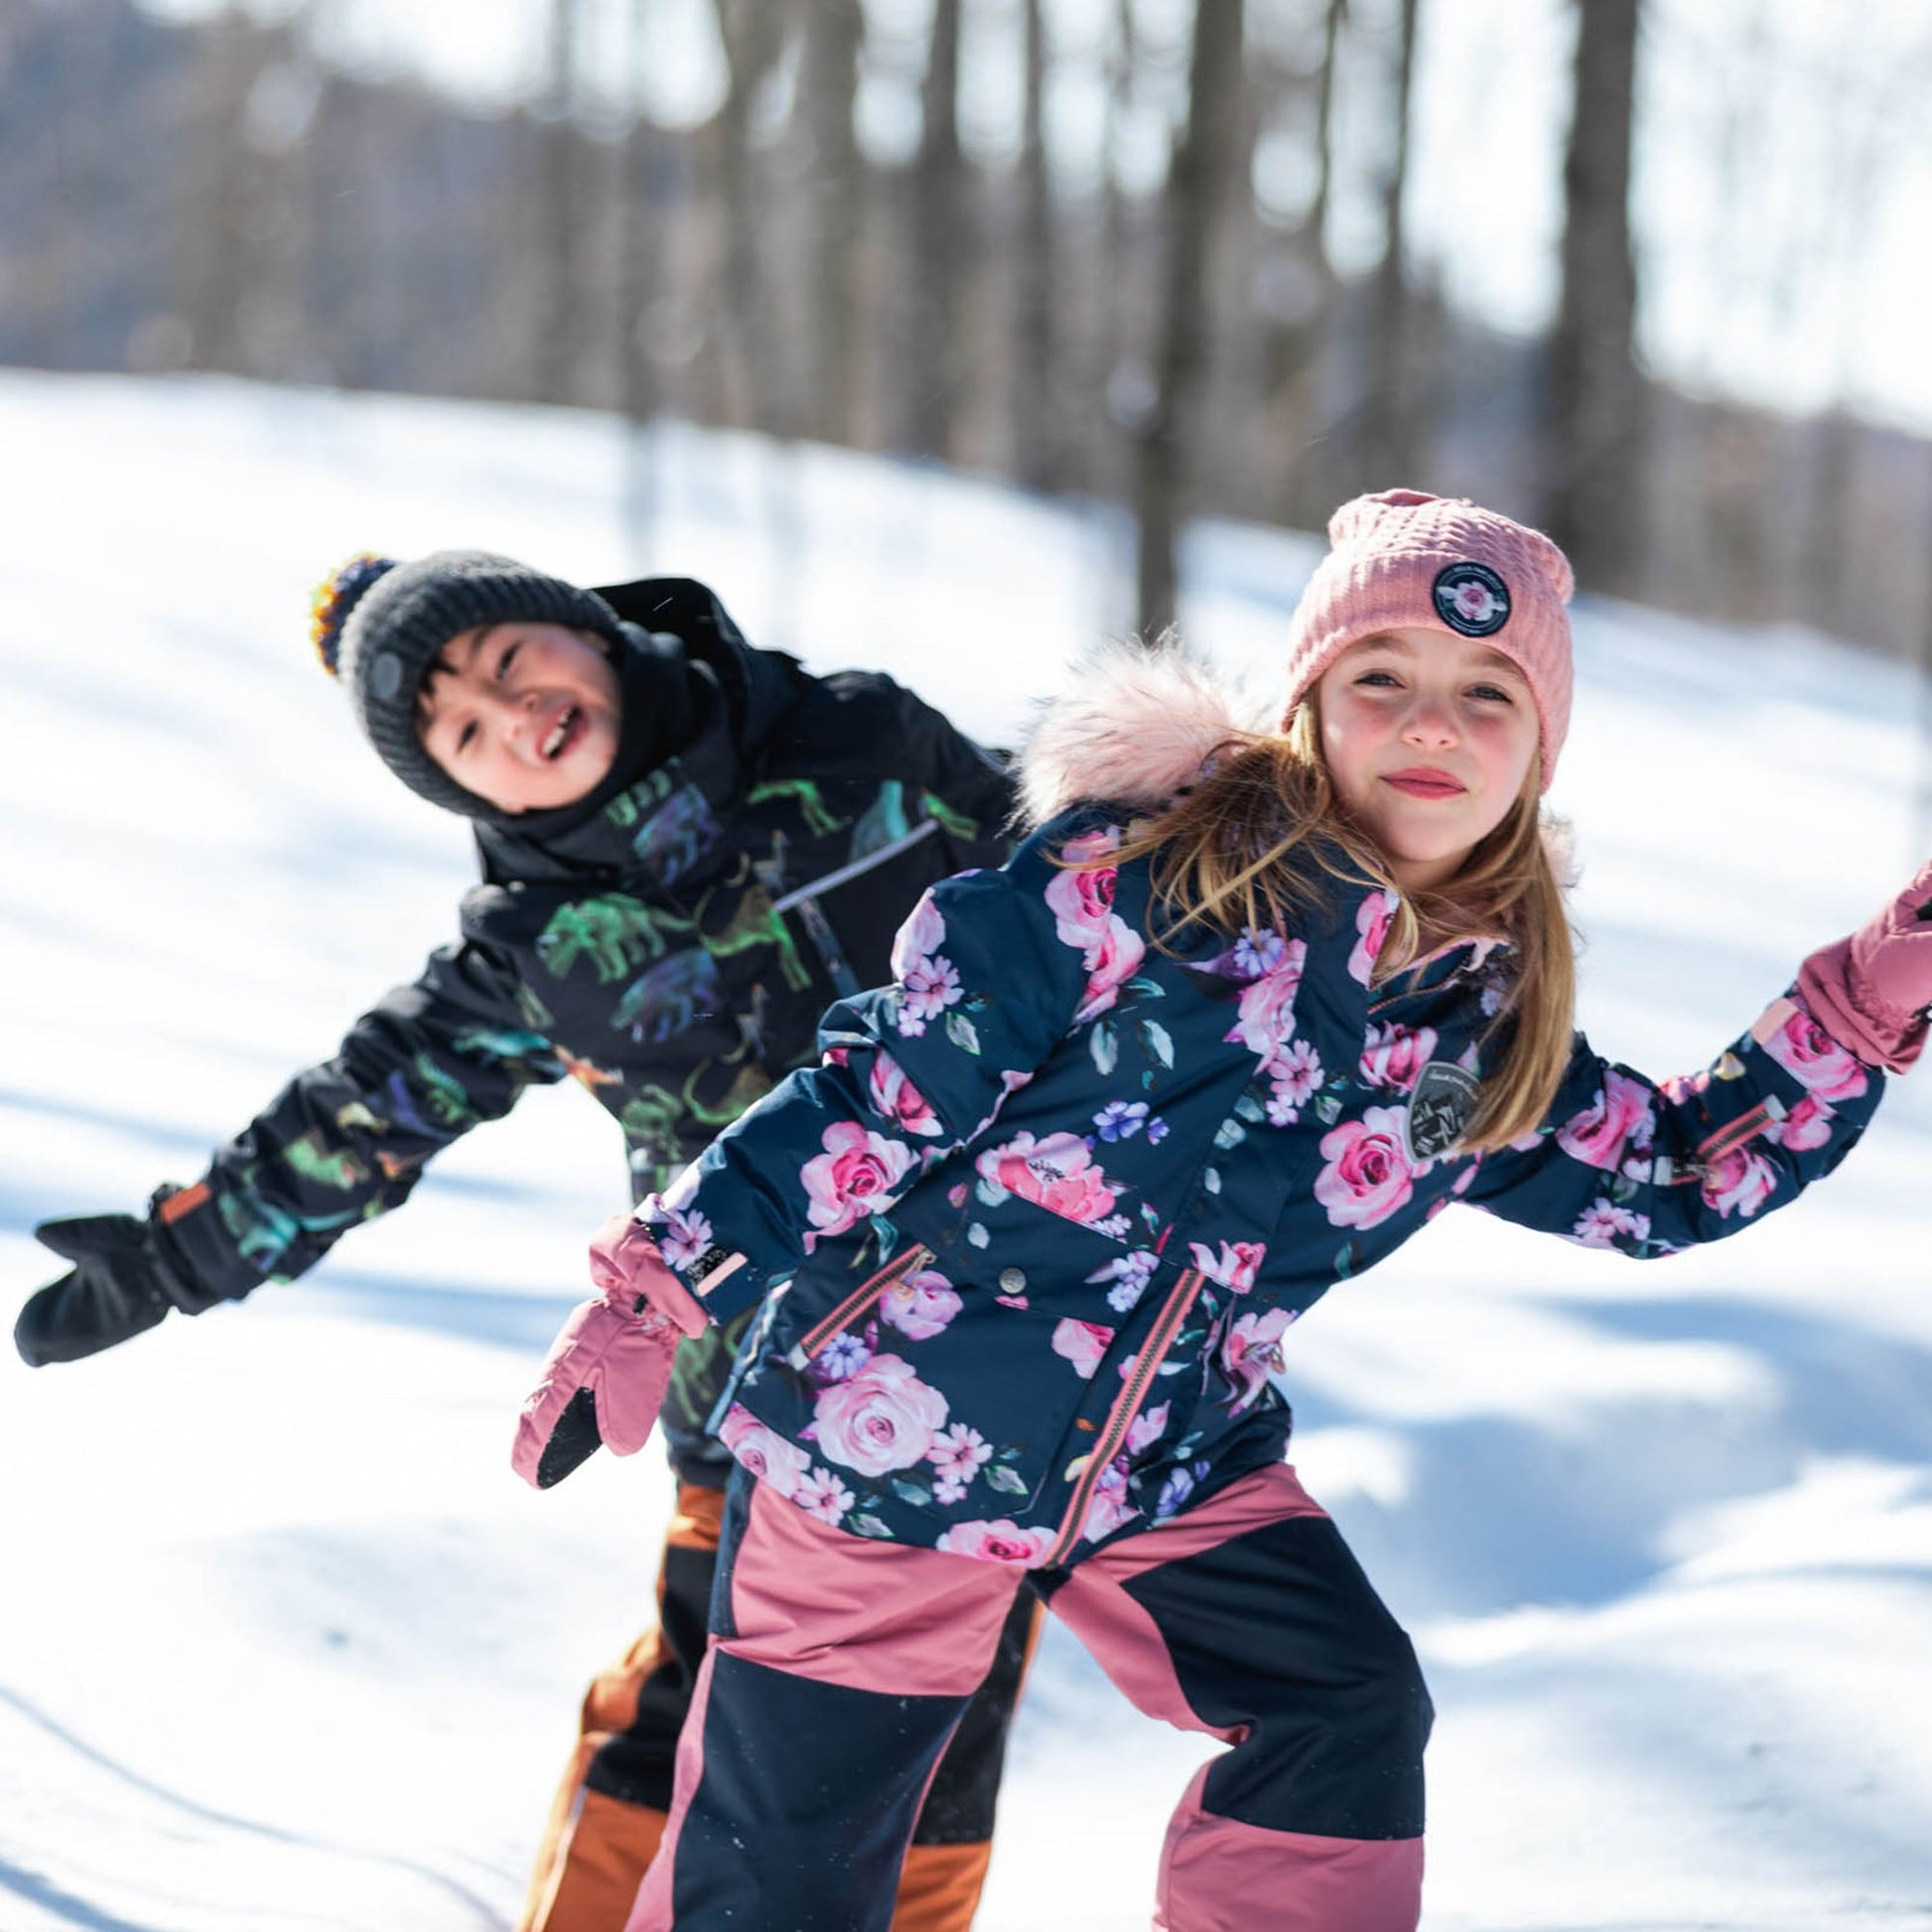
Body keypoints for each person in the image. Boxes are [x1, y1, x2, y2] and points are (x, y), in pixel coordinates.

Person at [517, 489, 1932, 1932]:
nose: (1430, 725)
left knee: (1344, 1711)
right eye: (1381, 680)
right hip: (892, 1430)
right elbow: (877, 1093)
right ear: (1309, 707)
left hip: (1166, 1462)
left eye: (1485, 695)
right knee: (781, 1884)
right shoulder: (1122, 892)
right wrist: (656, 1291)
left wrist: (1855, 1002)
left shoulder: (1471, 1036)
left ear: (1538, 750)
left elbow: (1669, 1172)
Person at [13, 550, 1038, 1932]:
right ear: (459, 789)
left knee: (937, 1725)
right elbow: (366, 1108)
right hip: (738, 1381)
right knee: (692, 1701)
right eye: (461, 731)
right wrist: (173, 1254)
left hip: (1004, 1352)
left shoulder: (857, 744)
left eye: (510, 661)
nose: (514, 716)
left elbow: (1086, 890)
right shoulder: (536, 939)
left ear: (585, 628)